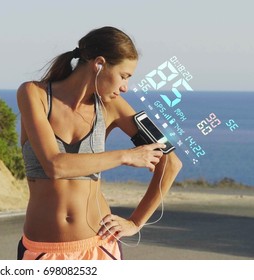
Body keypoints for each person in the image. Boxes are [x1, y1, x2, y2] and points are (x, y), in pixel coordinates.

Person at [16, 26, 182, 260]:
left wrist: (135, 222)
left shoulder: (112, 106)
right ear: (100, 64)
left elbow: (171, 161)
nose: (125, 87)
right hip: (42, 251)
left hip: (100, 247)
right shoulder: (34, 94)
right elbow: (55, 166)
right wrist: (126, 155)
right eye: (124, 76)